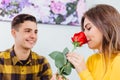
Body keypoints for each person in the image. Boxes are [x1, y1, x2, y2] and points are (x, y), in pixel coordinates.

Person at [66, 4, 120, 80]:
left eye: (89, 28)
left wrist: (83, 71)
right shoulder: (92, 60)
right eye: (84, 30)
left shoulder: (118, 61)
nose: (84, 34)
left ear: (106, 26)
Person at [0, 14, 52, 80]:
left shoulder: (42, 63)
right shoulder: (1, 60)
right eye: (28, 31)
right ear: (14, 33)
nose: (33, 36)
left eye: (35, 32)